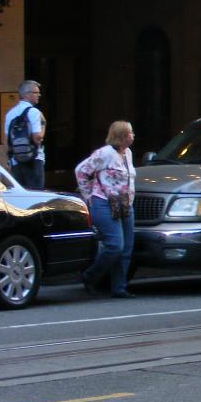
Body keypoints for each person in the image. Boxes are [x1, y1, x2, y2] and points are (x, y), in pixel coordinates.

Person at [75, 121, 137, 298]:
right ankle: (90, 276)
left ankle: (119, 287)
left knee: (126, 248)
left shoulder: (128, 154)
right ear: (121, 136)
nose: (133, 136)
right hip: (103, 202)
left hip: (125, 204)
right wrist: (88, 196)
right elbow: (81, 170)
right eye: (130, 133)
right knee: (115, 245)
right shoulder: (104, 154)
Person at [4, 79, 46, 189]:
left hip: (15, 160)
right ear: (27, 94)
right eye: (36, 93)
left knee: (21, 197)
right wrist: (43, 125)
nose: (39, 95)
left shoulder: (10, 114)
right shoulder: (34, 112)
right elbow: (37, 138)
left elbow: (7, 140)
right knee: (35, 197)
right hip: (34, 160)